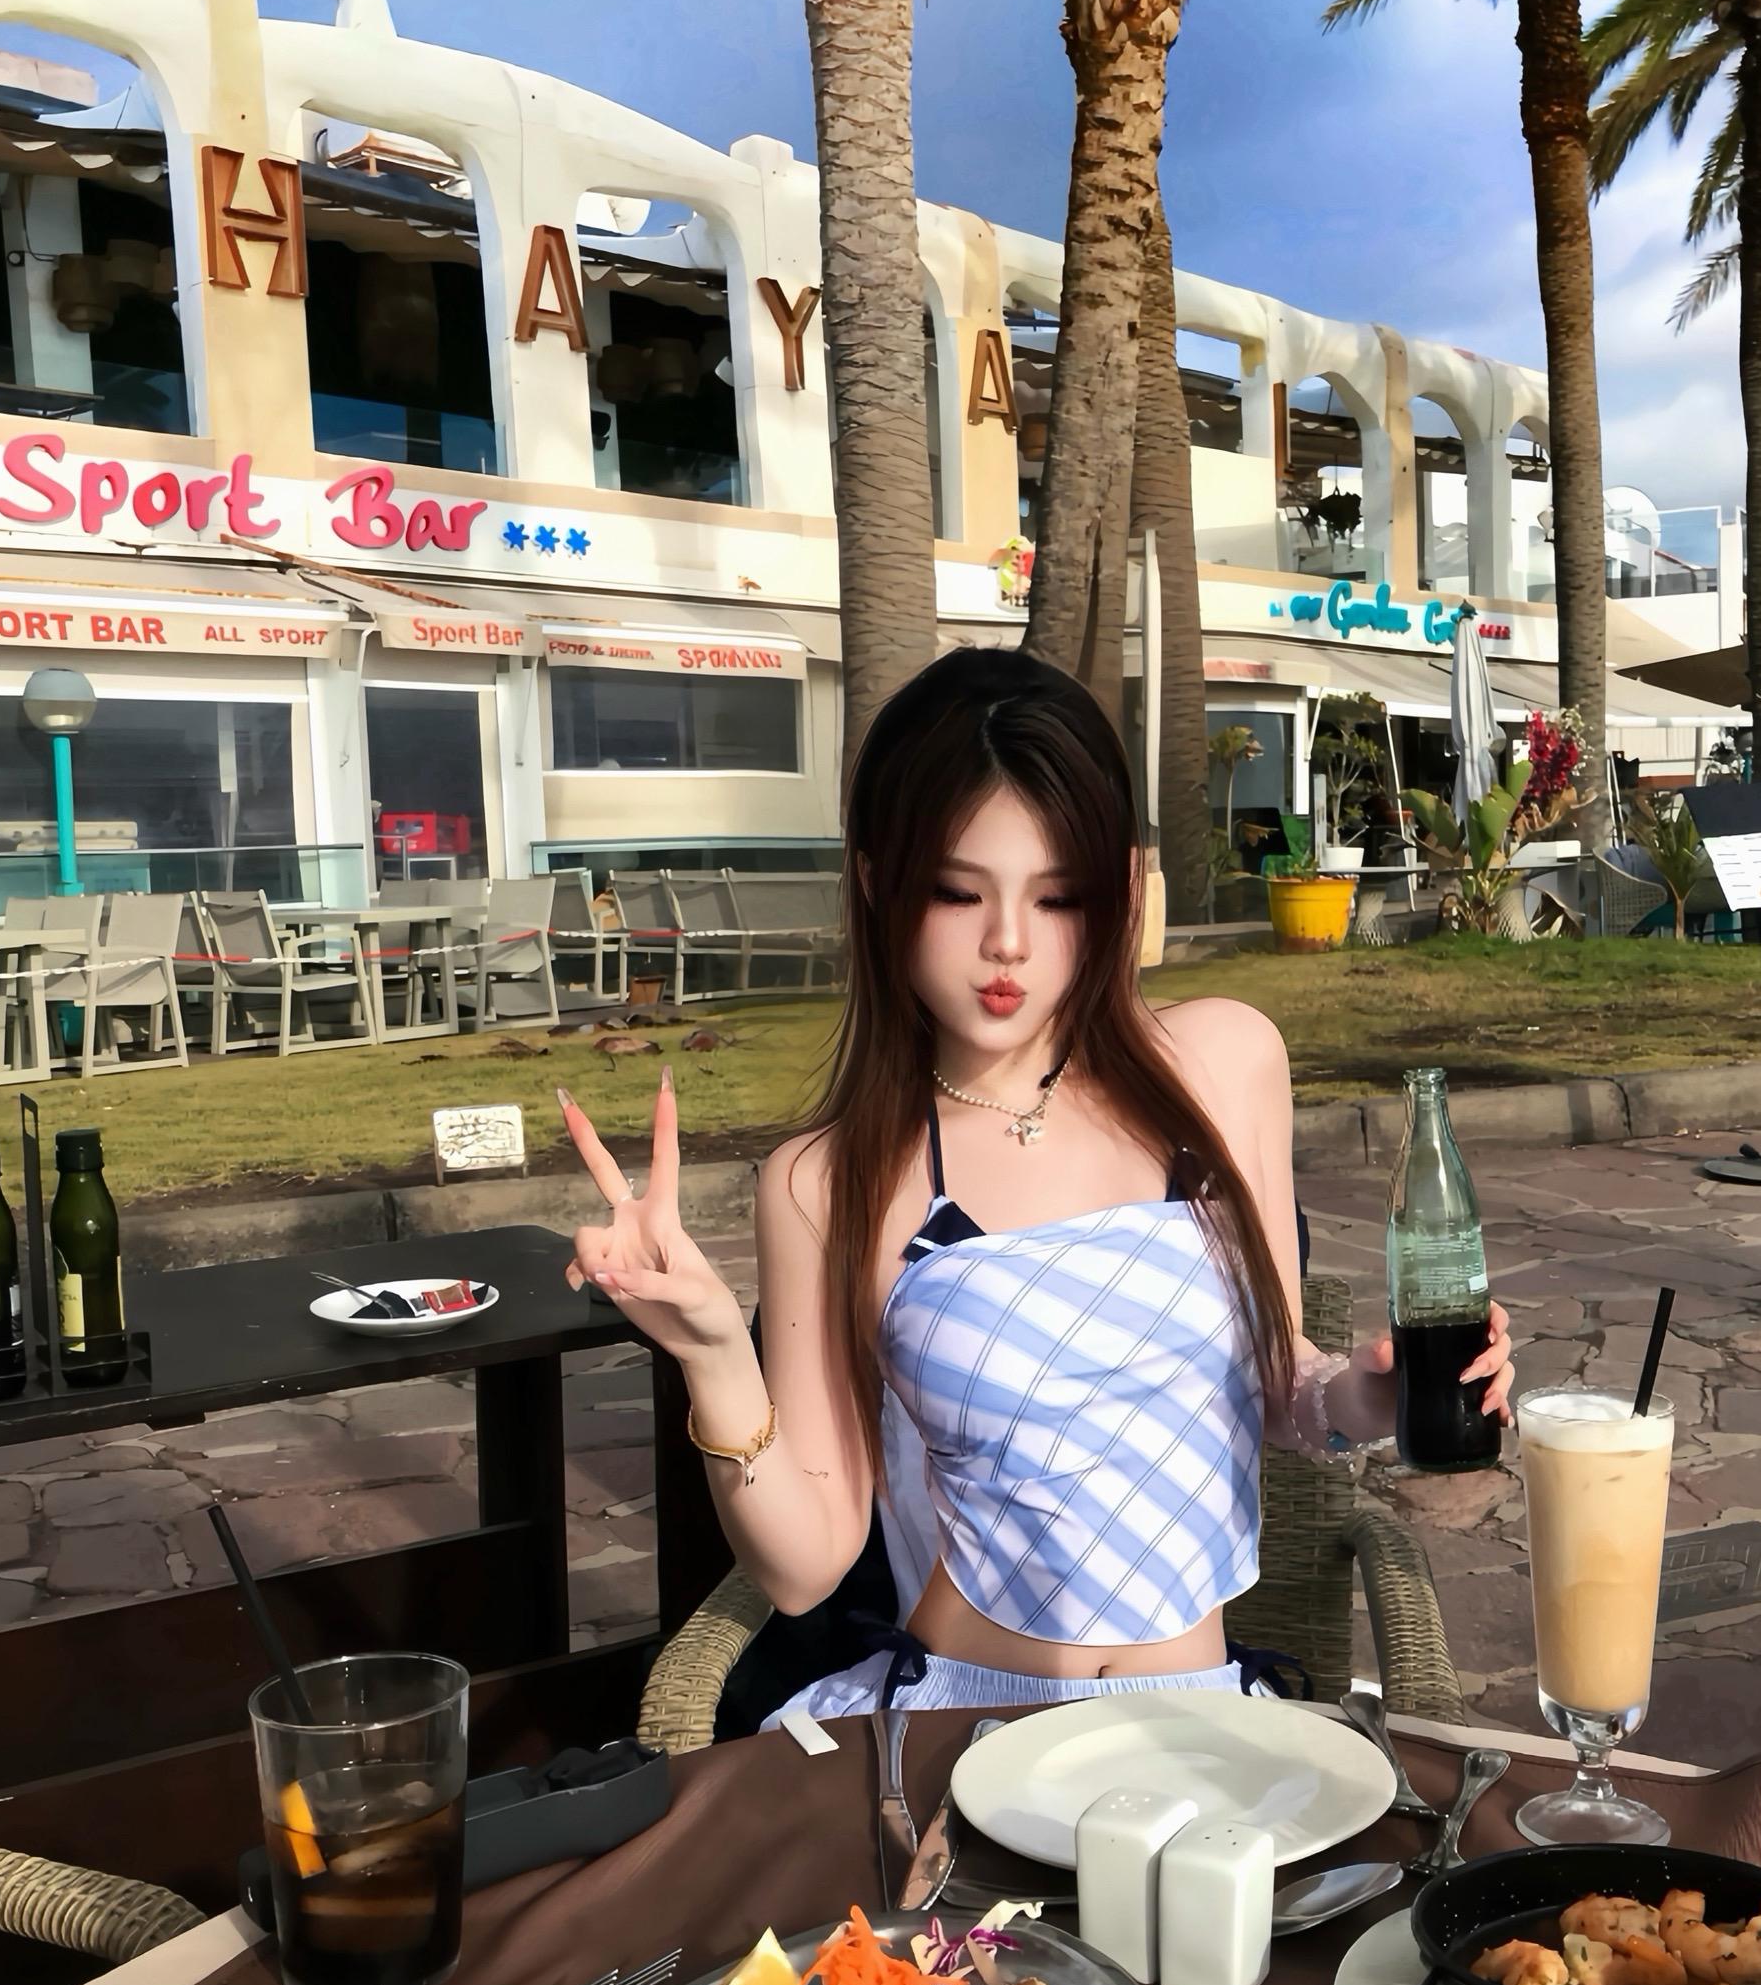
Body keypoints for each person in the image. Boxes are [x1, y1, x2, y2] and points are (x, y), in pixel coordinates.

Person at [561, 650, 1512, 1719]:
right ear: (876, 880)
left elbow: (1282, 1385)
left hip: (1197, 1723)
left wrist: (1369, 1393)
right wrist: (713, 1356)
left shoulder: (1222, 1063)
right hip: (961, 1724)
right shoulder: (826, 1182)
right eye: (956, 891)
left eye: (1058, 896)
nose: (1007, 943)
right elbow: (805, 1568)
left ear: (1116, 890)